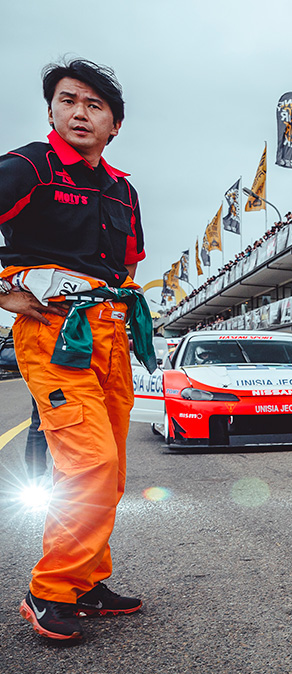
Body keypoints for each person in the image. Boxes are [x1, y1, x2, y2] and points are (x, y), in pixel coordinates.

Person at [0, 58, 150, 642]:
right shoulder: (30, 167)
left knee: (109, 472)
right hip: (53, 333)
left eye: (94, 105)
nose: (79, 113)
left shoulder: (123, 190)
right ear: (51, 112)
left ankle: (86, 582)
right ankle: (48, 592)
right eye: (68, 101)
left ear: (115, 124)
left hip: (110, 337)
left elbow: (125, 265)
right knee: (90, 463)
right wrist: (3, 293)